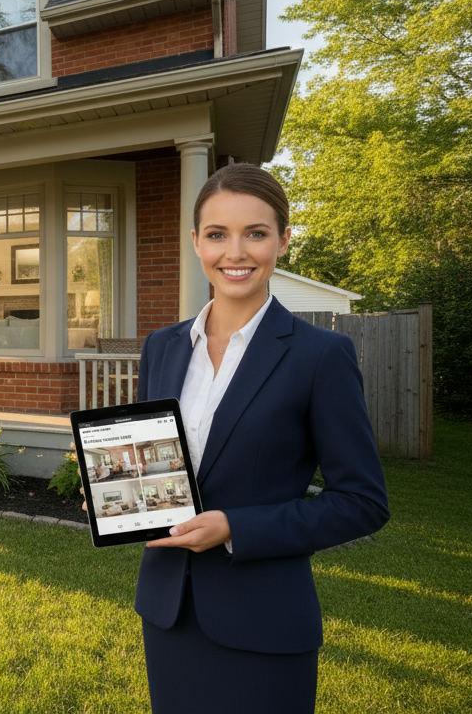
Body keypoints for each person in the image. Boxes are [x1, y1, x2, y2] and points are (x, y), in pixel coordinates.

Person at [132, 163, 389, 713]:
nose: (235, 252)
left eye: (255, 233)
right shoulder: (162, 346)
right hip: (169, 613)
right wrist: (120, 494)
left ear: (283, 240)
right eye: (217, 234)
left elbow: (362, 502)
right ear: (196, 242)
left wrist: (235, 527)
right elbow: (155, 463)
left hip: (265, 622)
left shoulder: (321, 355)